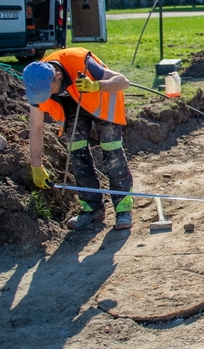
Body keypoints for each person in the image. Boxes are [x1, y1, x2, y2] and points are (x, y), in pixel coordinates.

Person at [22, 49, 134, 230]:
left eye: (48, 91)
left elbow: (123, 81)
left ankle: (123, 209)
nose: (45, 97)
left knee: (111, 150)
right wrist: (36, 166)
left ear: (57, 76)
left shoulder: (79, 61)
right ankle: (92, 208)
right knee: (76, 153)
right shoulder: (37, 84)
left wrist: (97, 85)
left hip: (100, 97)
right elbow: (35, 127)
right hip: (71, 107)